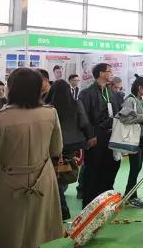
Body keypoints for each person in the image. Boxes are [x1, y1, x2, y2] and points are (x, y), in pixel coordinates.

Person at [0, 68, 64, 247]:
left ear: (11, 88)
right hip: (43, 179)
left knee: (10, 232)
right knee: (37, 229)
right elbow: (56, 149)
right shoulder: (50, 113)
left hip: (8, 182)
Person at [48, 79, 93, 220]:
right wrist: (90, 137)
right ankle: (62, 202)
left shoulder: (47, 107)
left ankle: (61, 208)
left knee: (54, 176)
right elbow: (84, 123)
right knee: (64, 171)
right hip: (72, 144)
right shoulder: (76, 104)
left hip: (52, 144)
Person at [78, 63, 121, 207]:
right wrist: (90, 135)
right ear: (101, 73)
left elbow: (116, 113)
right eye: (109, 71)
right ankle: (89, 204)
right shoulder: (86, 93)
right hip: (95, 137)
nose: (112, 73)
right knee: (93, 170)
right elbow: (84, 117)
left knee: (110, 168)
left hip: (111, 136)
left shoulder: (111, 93)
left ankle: (104, 202)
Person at [118, 75, 143, 209]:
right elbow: (124, 118)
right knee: (135, 168)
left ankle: (129, 195)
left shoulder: (141, 100)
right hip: (133, 139)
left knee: (137, 168)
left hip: (140, 139)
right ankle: (131, 196)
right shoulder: (130, 100)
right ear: (139, 87)